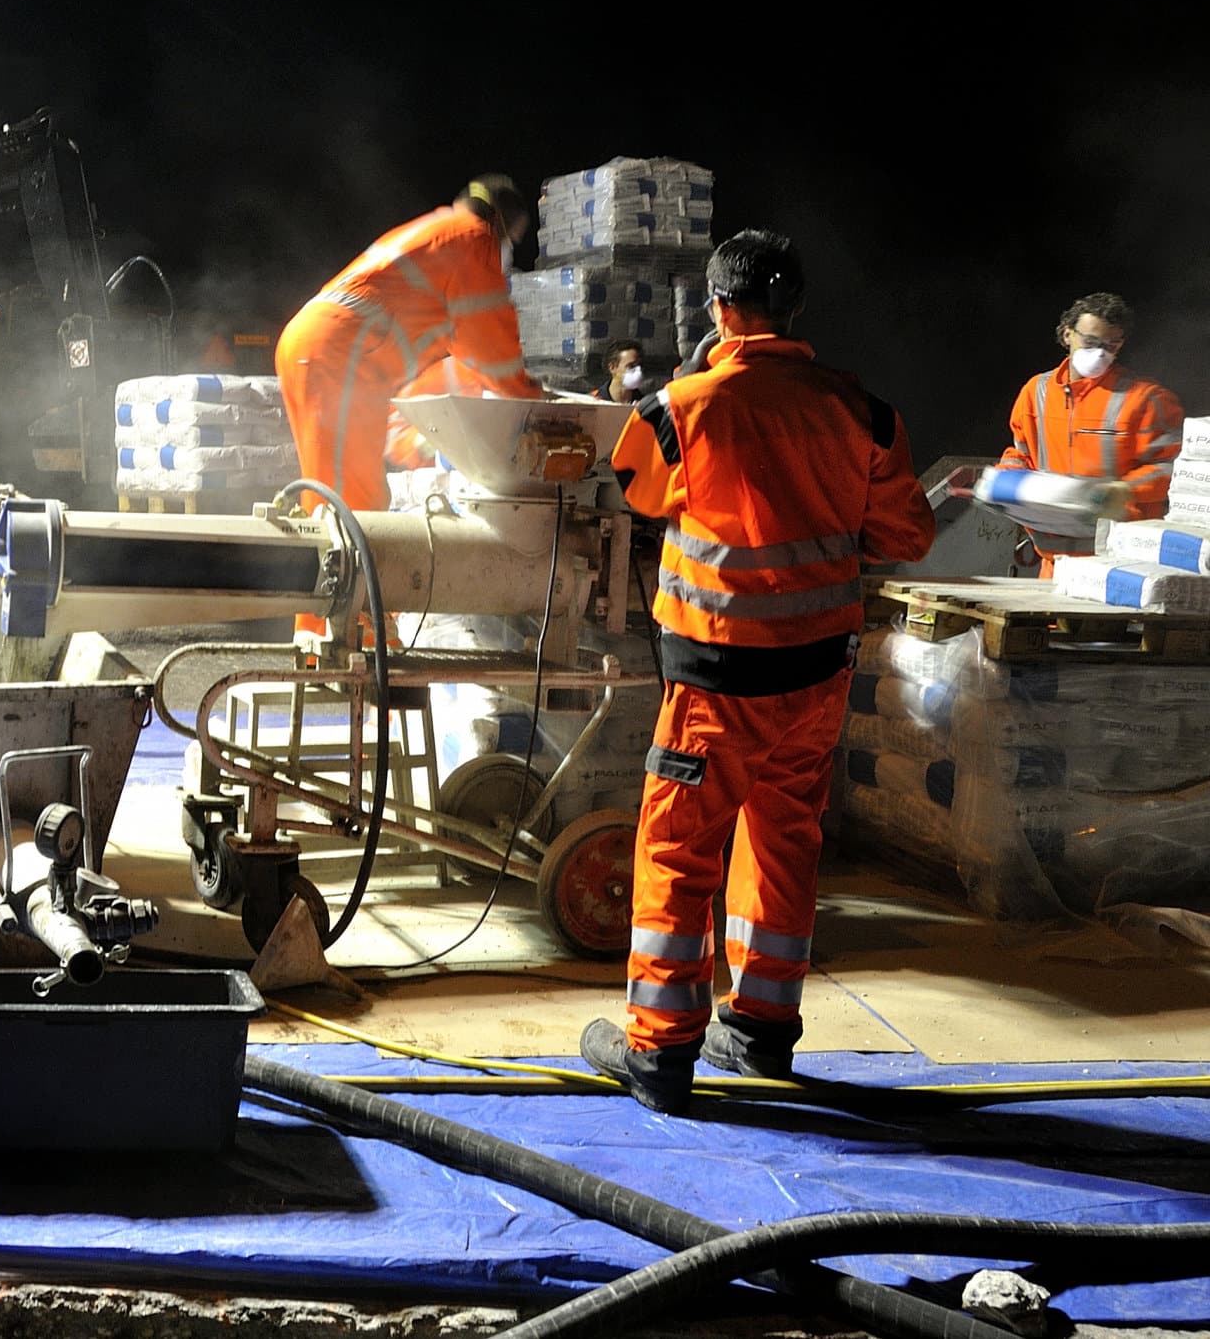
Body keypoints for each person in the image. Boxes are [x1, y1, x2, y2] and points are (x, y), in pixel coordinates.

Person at [579, 229, 936, 1116]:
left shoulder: (682, 407)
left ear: (717, 307)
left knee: (678, 848)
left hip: (715, 680)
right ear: (798, 309)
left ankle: (658, 1053)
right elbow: (906, 536)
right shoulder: (862, 410)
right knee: (784, 842)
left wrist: (688, 381)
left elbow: (636, 489)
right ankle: (764, 1031)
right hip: (816, 679)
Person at [277, 176, 544, 511]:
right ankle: (353, 563)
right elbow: (489, 342)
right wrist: (534, 398)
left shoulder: (441, 233)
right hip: (341, 353)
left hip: (320, 344)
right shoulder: (473, 237)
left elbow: (464, 340)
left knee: (332, 488)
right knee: (352, 503)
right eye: (511, 239)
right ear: (498, 222)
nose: (506, 250)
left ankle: (336, 561)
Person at [993, 292, 1183, 571]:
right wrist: (1006, 479)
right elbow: (1021, 452)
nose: (1100, 353)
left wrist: (1124, 490)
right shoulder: (1037, 392)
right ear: (1067, 334)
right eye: (1091, 342)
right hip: (1054, 561)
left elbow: (1173, 468)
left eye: (1111, 345)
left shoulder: (1146, 399)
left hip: (1123, 565)